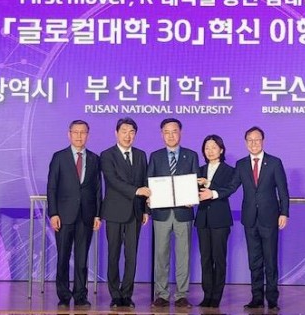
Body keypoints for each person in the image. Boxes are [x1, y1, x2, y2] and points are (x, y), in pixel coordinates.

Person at [219, 126, 289, 312]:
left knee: (270, 260)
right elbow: (231, 187)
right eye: (250, 140)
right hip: (250, 219)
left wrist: (284, 213)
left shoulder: (274, 163)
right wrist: (213, 192)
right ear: (245, 143)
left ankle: (272, 299)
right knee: (254, 261)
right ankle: (256, 298)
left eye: (257, 140)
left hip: (270, 218)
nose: (253, 143)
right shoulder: (241, 164)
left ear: (263, 141)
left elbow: (283, 191)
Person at [46, 120, 102, 308]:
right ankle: (63, 296)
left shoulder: (94, 159)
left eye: (83, 132)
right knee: (63, 256)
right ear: (69, 134)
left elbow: (97, 189)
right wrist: (53, 213)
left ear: (88, 135)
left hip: (86, 215)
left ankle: (80, 295)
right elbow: (52, 187)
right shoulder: (59, 157)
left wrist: (97, 215)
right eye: (75, 132)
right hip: (63, 216)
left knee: (82, 258)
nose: (79, 136)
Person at [148, 118, 200, 309]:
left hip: (183, 213)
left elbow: (195, 183)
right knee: (160, 255)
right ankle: (161, 294)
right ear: (162, 134)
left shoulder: (191, 155)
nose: (171, 135)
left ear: (181, 133)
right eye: (167, 132)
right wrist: (149, 200)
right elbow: (149, 182)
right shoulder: (155, 156)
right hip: (161, 213)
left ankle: (181, 295)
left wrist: (193, 196)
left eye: (174, 131)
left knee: (183, 255)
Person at [100, 117, 151, 309]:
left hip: (135, 213)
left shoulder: (141, 155)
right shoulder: (107, 155)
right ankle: (115, 295)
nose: (127, 136)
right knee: (113, 254)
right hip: (114, 212)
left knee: (132, 255)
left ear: (135, 135)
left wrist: (145, 209)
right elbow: (112, 181)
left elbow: (145, 181)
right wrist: (136, 191)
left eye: (131, 132)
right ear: (116, 133)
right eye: (124, 131)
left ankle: (127, 294)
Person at [195, 134, 235, 308]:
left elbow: (228, 189)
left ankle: (216, 296)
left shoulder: (229, 170)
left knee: (219, 259)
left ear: (221, 150)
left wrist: (209, 184)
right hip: (202, 219)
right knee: (205, 258)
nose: (210, 151)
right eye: (206, 148)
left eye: (213, 147)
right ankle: (207, 294)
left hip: (220, 219)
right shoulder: (199, 170)